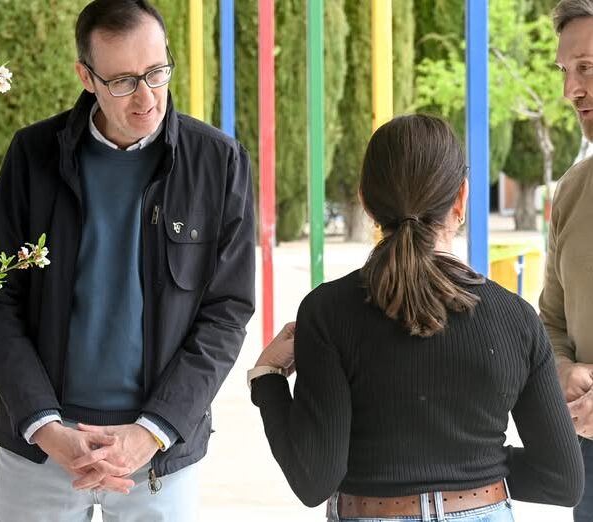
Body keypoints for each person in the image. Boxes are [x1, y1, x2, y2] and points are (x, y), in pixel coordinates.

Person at [0, 0, 255, 519]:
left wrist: (154, 430)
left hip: (159, 455)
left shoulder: (219, 162)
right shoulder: (32, 156)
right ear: (87, 76)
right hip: (40, 450)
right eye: (123, 81)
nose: (146, 96)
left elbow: (227, 311)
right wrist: (44, 426)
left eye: (156, 72)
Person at [250, 114, 583, 521]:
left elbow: (314, 480)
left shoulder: (328, 312)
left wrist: (267, 378)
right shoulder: (516, 318)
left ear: (366, 201)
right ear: (461, 198)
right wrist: (474, 470)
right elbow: (563, 478)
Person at [540, 2, 593, 520]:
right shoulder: (573, 190)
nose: (570, 90)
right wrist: (559, 368)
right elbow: (551, 319)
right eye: (565, 71)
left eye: (588, 68)